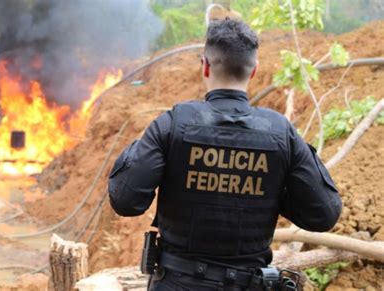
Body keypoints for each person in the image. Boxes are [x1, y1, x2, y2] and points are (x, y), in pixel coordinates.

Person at [108, 17, 342, 291]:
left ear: (205, 66)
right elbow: (324, 214)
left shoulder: (172, 125)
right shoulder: (281, 133)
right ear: (254, 71)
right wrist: (273, 193)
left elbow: (125, 201)